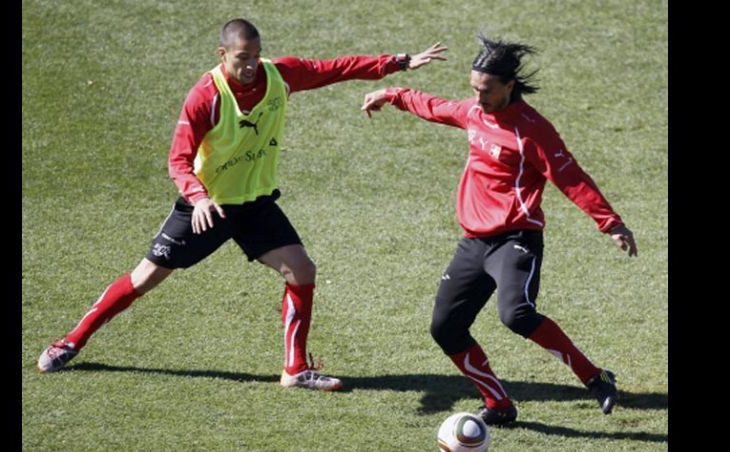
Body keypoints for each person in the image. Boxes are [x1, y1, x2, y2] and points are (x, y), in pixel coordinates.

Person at [37, 18, 448, 391]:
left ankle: (295, 369)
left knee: (301, 270)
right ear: (223, 55)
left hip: (255, 205)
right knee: (144, 279)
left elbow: (333, 68)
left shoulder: (278, 75)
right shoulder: (205, 96)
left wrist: (397, 62)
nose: (251, 65)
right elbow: (177, 161)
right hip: (208, 207)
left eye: (255, 55)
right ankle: (71, 341)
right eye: (241, 58)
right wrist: (197, 199)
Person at [360, 35, 637, 421]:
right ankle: (499, 404)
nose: (478, 98)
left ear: (510, 86)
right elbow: (434, 106)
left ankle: (595, 377)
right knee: (445, 328)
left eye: (487, 91)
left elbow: (570, 177)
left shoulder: (532, 130)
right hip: (474, 242)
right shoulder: (475, 113)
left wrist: (610, 223)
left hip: (516, 238)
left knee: (517, 314)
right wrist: (391, 93)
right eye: (474, 89)